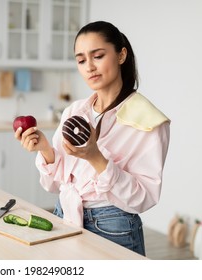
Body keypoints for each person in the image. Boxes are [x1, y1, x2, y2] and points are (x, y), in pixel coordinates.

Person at [14, 21, 170, 256]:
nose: (89, 67)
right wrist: (46, 149)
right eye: (81, 60)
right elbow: (53, 185)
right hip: (64, 215)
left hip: (113, 227)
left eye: (97, 56)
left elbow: (143, 198)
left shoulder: (148, 120)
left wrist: (96, 158)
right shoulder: (75, 111)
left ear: (121, 55)